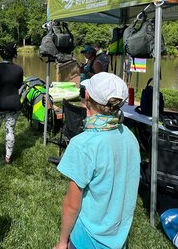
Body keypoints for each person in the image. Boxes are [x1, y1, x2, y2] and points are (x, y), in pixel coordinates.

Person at [53, 72, 140, 249]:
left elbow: (71, 205)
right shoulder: (130, 137)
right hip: (119, 237)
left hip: (87, 239)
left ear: (86, 96)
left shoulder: (82, 144)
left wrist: (63, 241)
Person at [0, 42, 23, 165]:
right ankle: (8, 157)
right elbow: (18, 86)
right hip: (14, 104)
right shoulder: (19, 69)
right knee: (10, 130)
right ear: (13, 54)